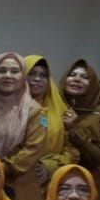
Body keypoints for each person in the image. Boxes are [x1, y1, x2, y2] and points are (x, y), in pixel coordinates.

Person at [0, 53, 49, 200]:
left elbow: (33, 149)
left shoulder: (34, 111)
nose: (8, 76)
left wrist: (0, 168)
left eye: (14, 71)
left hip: (18, 184)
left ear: (23, 76)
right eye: (2, 71)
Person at [24, 55, 77, 189]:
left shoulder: (61, 110)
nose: (37, 79)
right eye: (32, 74)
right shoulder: (8, 108)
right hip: (16, 183)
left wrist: (51, 165)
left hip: (51, 183)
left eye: (43, 75)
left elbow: (72, 150)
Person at [60, 59, 100, 185]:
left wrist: (74, 130)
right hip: (57, 175)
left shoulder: (99, 113)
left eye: (85, 77)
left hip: (90, 179)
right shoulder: (56, 105)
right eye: (72, 75)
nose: (77, 79)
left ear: (92, 84)